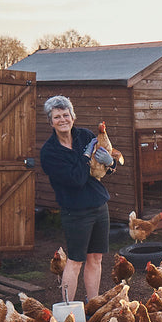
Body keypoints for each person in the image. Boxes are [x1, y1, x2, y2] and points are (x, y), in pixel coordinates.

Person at [39, 95, 117, 303]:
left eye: (66, 114)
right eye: (57, 116)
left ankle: (93, 305)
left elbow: (100, 170)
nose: (63, 119)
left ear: (73, 117)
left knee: (96, 258)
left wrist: (110, 163)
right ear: (51, 121)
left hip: (99, 205)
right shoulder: (49, 152)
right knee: (75, 261)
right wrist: (85, 157)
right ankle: (67, 312)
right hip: (75, 211)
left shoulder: (86, 136)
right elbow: (76, 180)